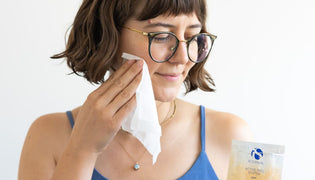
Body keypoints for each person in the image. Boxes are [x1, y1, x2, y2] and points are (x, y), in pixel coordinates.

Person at [18, 0, 253, 179]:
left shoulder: (232, 135)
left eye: (191, 36)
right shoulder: (48, 136)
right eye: (161, 36)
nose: (183, 57)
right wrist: (82, 150)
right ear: (108, 35)